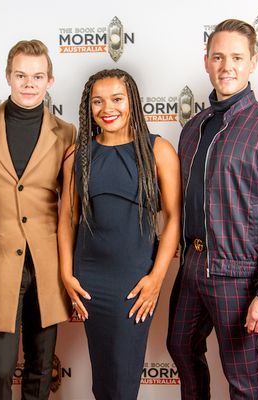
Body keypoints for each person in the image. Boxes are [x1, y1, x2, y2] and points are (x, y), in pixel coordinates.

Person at [167, 19, 258, 400]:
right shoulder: (194, 126)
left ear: (253, 63)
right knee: (180, 347)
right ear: (207, 62)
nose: (227, 66)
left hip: (238, 273)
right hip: (193, 264)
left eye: (237, 57)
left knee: (241, 375)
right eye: (218, 57)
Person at [0, 40, 76, 399]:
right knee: (2, 365)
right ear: (8, 76)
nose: (29, 83)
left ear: (50, 80)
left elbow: (71, 206)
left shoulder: (66, 133)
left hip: (46, 265)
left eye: (37, 76)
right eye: (21, 75)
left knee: (40, 365)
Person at [57, 68, 181, 400]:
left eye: (116, 99)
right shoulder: (78, 154)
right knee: (103, 377)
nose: (107, 108)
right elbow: (68, 220)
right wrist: (66, 274)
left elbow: (173, 219)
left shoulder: (158, 150)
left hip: (135, 280)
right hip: (89, 279)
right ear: (88, 107)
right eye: (97, 101)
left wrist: (156, 278)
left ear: (132, 103)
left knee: (123, 380)